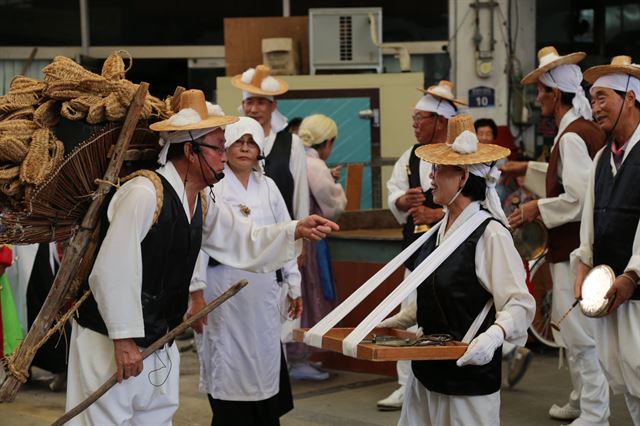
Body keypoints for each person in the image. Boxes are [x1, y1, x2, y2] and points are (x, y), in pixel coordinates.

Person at [64, 89, 338, 425]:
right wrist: (124, 340)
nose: (225, 156)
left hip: (158, 337)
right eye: (218, 148)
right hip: (109, 340)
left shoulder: (202, 201)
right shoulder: (143, 194)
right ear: (191, 151)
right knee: (104, 420)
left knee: (154, 418)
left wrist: (294, 229)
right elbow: (112, 271)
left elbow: (242, 239)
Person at [381, 114, 535, 426]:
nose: (431, 179)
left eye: (438, 170)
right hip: (426, 373)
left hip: (468, 381)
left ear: (463, 178)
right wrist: (404, 317)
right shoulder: (438, 230)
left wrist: (493, 338)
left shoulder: (491, 234)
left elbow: (520, 303)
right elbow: (435, 287)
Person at [502, 46, 609, 426]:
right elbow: (568, 178)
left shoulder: (573, 137)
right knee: (574, 328)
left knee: (579, 334)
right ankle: (583, 400)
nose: (537, 100)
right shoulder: (579, 130)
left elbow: (579, 198)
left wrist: (536, 209)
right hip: (576, 248)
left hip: (575, 250)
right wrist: (525, 167)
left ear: (555, 94)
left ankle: (595, 412)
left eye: (541, 92)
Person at [190, 116, 302, 425]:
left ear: (259, 150)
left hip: (263, 287)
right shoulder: (213, 185)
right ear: (226, 146)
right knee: (226, 353)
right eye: (239, 141)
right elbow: (199, 241)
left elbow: (286, 234)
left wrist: (294, 284)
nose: (244, 148)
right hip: (222, 285)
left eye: (251, 142)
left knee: (263, 350)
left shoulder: (269, 187)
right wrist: (196, 293)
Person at [380, 80, 461, 410]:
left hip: (455, 256)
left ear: (440, 122)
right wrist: (402, 200)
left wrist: (437, 212)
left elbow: (478, 204)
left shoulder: (461, 155)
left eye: (420, 118)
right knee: (409, 316)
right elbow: (393, 191)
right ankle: (405, 385)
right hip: (418, 250)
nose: (414, 125)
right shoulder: (410, 157)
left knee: (451, 315)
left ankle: (451, 375)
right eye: (413, 118)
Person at [573, 55, 640, 425]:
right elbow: (589, 219)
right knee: (626, 378)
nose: (595, 107)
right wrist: (584, 262)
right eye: (592, 99)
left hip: (636, 290)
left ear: (630, 97)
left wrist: (633, 275)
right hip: (611, 291)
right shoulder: (601, 157)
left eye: (603, 98)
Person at [287, 114, 347, 381]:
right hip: (310, 239)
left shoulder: (291, 157)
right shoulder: (314, 164)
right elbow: (334, 205)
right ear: (328, 142)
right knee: (310, 293)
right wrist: (336, 183)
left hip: (289, 235)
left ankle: (294, 355)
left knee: (294, 292)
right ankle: (299, 356)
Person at [231, 64, 309, 222]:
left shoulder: (292, 143)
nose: (253, 109)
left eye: (261, 102)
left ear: (273, 106)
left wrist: (302, 228)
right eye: (249, 102)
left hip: (283, 230)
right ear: (243, 105)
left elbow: (301, 192)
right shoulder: (231, 144)